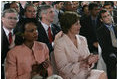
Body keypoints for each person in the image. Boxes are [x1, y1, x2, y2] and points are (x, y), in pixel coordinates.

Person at [54, 11, 107, 79]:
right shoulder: (60, 44)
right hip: (71, 76)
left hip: (86, 73)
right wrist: (84, 63)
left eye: (79, 23)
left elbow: (89, 61)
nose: (80, 26)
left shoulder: (83, 39)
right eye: (77, 24)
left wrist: (91, 61)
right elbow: (63, 69)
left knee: (102, 73)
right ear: (68, 26)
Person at [97, 9, 117, 79]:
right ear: (101, 20)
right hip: (109, 52)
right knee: (112, 59)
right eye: (105, 17)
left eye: (108, 15)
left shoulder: (116, 27)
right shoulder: (100, 31)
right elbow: (105, 47)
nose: (108, 17)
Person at [1, 8, 18, 79]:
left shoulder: (19, 35)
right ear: (2, 19)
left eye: (15, 18)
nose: (12, 21)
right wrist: (11, 47)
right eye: (10, 18)